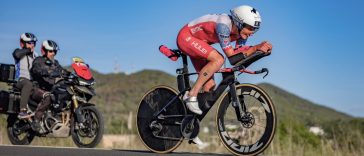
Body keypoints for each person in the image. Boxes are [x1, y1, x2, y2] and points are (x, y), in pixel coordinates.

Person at [176, 5, 273, 147]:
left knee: (210, 87)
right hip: (186, 37)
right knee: (219, 59)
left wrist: (260, 53)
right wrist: (256, 47)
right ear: (239, 22)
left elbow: (239, 57)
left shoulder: (241, 34)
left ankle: (189, 126)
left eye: (255, 29)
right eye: (250, 28)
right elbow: (231, 57)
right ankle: (191, 94)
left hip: (200, 43)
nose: (252, 33)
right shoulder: (223, 25)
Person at [30, 40, 63, 131]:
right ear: (44, 50)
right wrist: (43, 71)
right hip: (36, 89)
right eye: (51, 51)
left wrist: (71, 75)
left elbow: (62, 71)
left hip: (50, 89)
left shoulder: (55, 63)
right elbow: (35, 69)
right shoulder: (38, 60)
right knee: (48, 97)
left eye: (54, 52)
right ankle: (36, 120)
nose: (53, 53)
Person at [12, 33, 38, 119]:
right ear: (23, 43)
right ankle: (22, 111)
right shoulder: (18, 51)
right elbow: (16, 55)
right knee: (28, 84)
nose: (32, 45)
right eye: (29, 43)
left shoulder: (36, 55)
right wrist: (28, 50)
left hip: (32, 81)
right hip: (20, 80)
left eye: (33, 43)